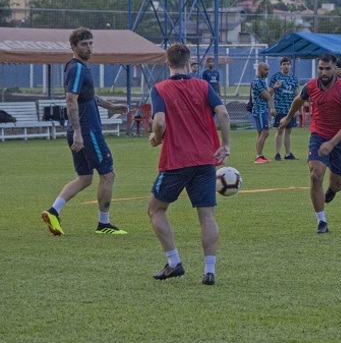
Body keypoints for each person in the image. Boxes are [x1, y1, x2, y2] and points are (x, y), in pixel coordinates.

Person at [147, 43, 230, 283]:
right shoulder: (203, 85)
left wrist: (157, 137)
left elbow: (160, 123)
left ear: (167, 62)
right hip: (205, 160)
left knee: (155, 209)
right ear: (189, 61)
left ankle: (174, 262)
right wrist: (225, 146)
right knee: (206, 215)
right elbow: (223, 113)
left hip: (176, 161)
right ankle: (209, 270)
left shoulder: (160, 88)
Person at [41, 27, 129, 236]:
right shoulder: (77, 68)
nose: (89, 48)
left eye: (91, 43)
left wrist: (112, 107)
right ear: (73, 47)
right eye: (84, 44)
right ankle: (104, 224)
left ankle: (54, 211)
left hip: (80, 130)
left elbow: (89, 97)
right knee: (108, 174)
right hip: (87, 131)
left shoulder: (77, 67)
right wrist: (79, 132)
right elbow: (71, 99)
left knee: (85, 178)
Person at [279, 53, 341, 233]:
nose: (323, 72)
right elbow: (299, 100)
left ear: (336, 69)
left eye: (327, 68)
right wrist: (288, 117)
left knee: (337, 183)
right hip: (318, 134)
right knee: (315, 174)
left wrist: (332, 143)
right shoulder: (311, 85)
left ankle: (332, 190)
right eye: (320, 68)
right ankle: (321, 221)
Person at [270, 57, 300, 161]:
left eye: (288, 64)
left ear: (290, 65)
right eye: (284, 64)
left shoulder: (294, 78)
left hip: (290, 109)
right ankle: (277, 153)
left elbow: (296, 94)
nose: (286, 66)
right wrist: (272, 107)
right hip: (279, 108)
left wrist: (297, 108)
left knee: (288, 131)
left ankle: (288, 154)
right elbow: (270, 93)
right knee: (279, 130)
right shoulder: (276, 77)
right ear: (280, 66)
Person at [251, 62, 280, 164]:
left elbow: (268, 92)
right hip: (260, 110)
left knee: (261, 133)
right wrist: (272, 108)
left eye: (268, 70)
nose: (267, 72)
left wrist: (274, 88)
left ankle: (260, 155)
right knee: (265, 132)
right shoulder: (257, 81)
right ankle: (258, 156)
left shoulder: (262, 81)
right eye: (265, 70)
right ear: (259, 70)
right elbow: (267, 96)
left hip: (261, 109)